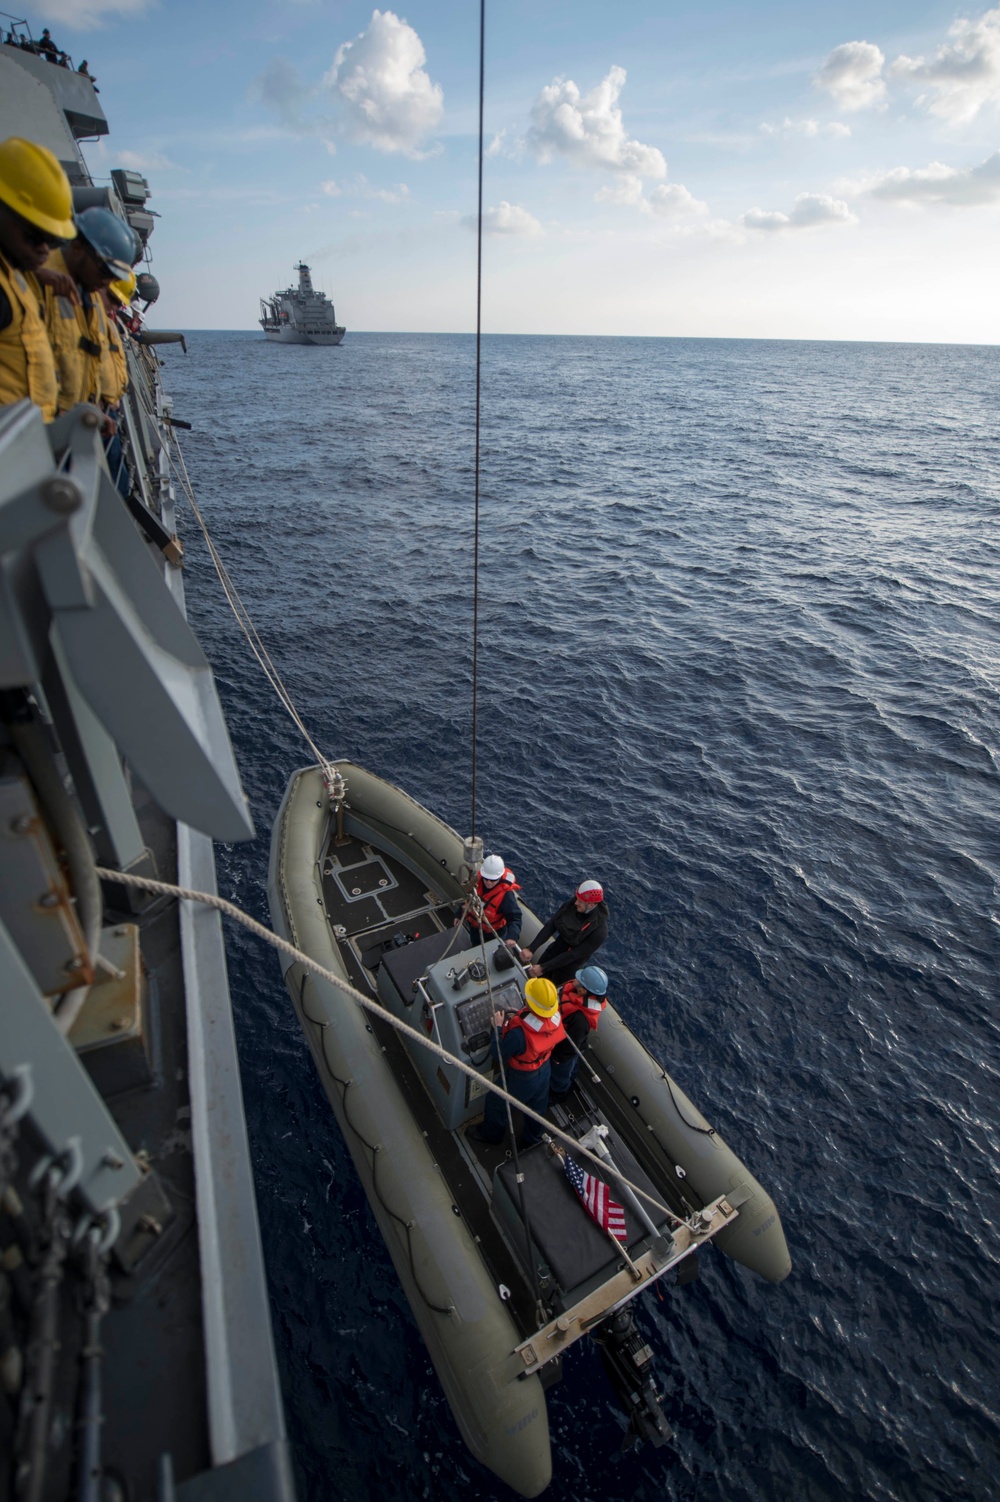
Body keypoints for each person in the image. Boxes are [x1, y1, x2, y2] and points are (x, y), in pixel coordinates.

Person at [0, 137, 75, 422]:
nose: (45, 250)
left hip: (29, 441)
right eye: (35, 236)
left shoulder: (16, 274)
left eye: (52, 240)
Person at [39, 205, 138, 417]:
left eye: (113, 277)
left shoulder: (91, 295)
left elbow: (90, 361)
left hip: (77, 422)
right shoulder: (41, 282)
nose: (106, 282)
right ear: (77, 247)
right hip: (41, 426)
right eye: (105, 271)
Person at [470, 977, 565, 1147]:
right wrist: (519, 1014)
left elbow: (498, 1052)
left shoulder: (518, 1035)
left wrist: (498, 1027)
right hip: (544, 1069)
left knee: (496, 1101)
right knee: (537, 1106)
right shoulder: (555, 1017)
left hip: (523, 1078)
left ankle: (491, 1135)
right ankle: (533, 1139)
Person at [520, 879, 608, 986]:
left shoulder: (599, 932)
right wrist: (531, 948)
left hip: (566, 970)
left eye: (580, 901)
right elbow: (553, 923)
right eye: (577, 899)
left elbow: (573, 954)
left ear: (591, 905)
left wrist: (544, 968)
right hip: (551, 953)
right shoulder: (571, 906)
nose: (576, 903)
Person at [548, 965, 609, 1101]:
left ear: (583, 991)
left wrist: (558, 1059)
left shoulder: (580, 1020)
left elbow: (570, 1046)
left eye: (579, 980)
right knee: (572, 1065)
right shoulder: (578, 993)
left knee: (561, 1074)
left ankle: (559, 1093)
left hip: (566, 1051)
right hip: (574, 1041)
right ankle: (570, 1076)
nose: (574, 980)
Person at [458, 852, 523, 950]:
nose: (488, 882)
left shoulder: (506, 895)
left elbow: (515, 917)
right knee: (475, 947)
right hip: (475, 929)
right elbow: (468, 899)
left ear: (500, 877)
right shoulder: (476, 882)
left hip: (493, 934)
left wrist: (513, 936)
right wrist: (459, 914)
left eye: (493, 880)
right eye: (486, 879)